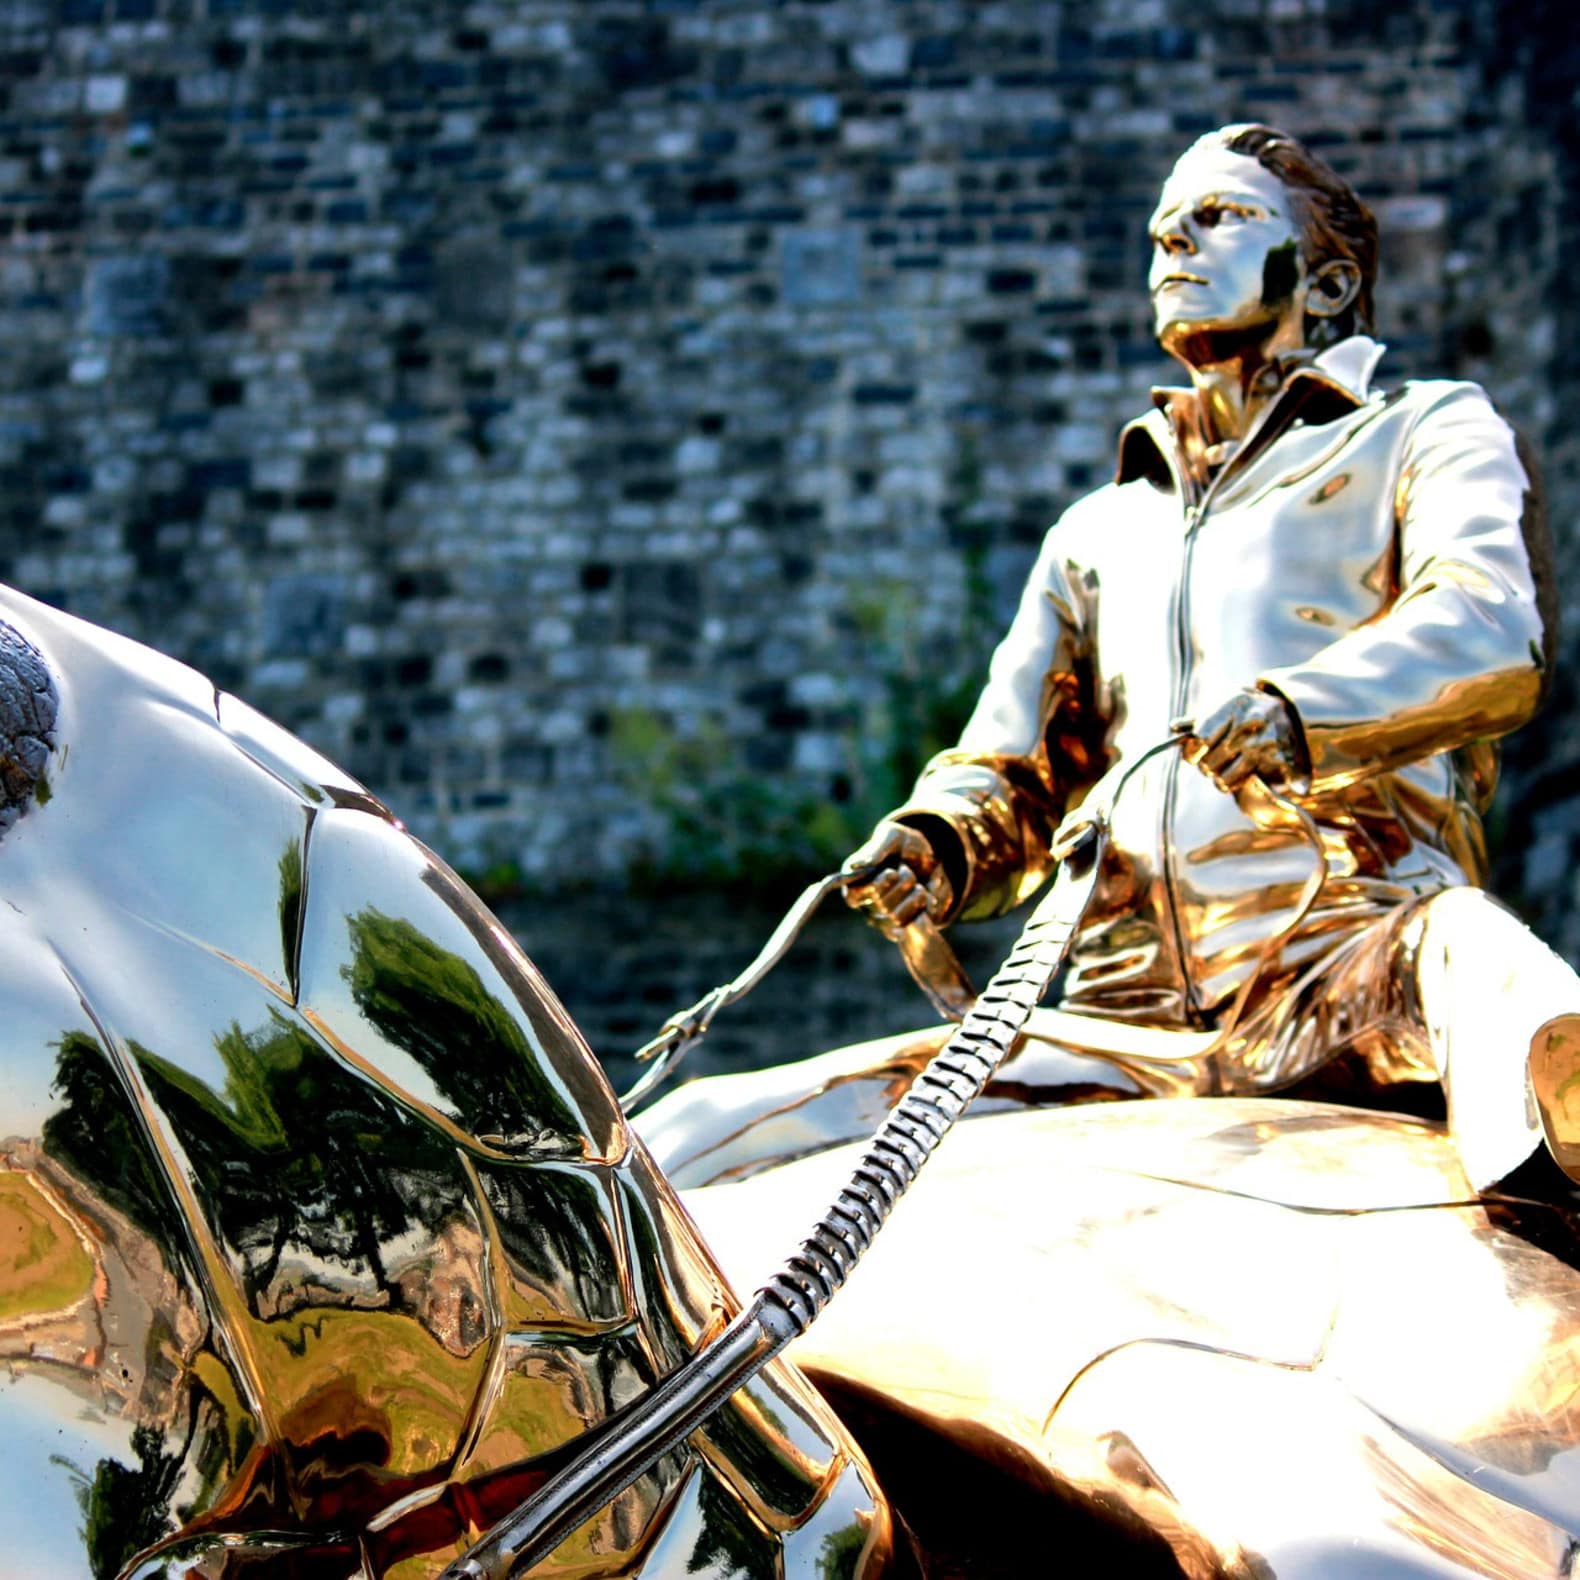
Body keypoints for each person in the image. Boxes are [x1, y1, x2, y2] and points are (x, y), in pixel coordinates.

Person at [639, 123, 1580, 1197]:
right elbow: (1008, 764)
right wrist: (938, 841)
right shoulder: (1095, 530)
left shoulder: (1425, 431)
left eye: (1217, 218)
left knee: (1498, 974)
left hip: (1353, 961)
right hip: (1117, 1016)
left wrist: (1296, 710)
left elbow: (1490, 629)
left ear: (1322, 282)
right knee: (708, 1123)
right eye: (1159, 230)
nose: (1171, 244)